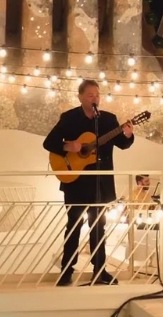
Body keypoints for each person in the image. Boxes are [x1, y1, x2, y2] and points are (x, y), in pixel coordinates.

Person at [43, 79, 135, 287]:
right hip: (75, 181)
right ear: (80, 97)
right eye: (90, 95)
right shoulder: (69, 118)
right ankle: (67, 271)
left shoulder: (109, 120)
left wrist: (128, 135)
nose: (95, 98)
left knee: (99, 226)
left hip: (100, 183)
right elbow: (49, 142)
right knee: (74, 225)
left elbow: (122, 144)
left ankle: (100, 271)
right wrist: (69, 146)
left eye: (97, 95)